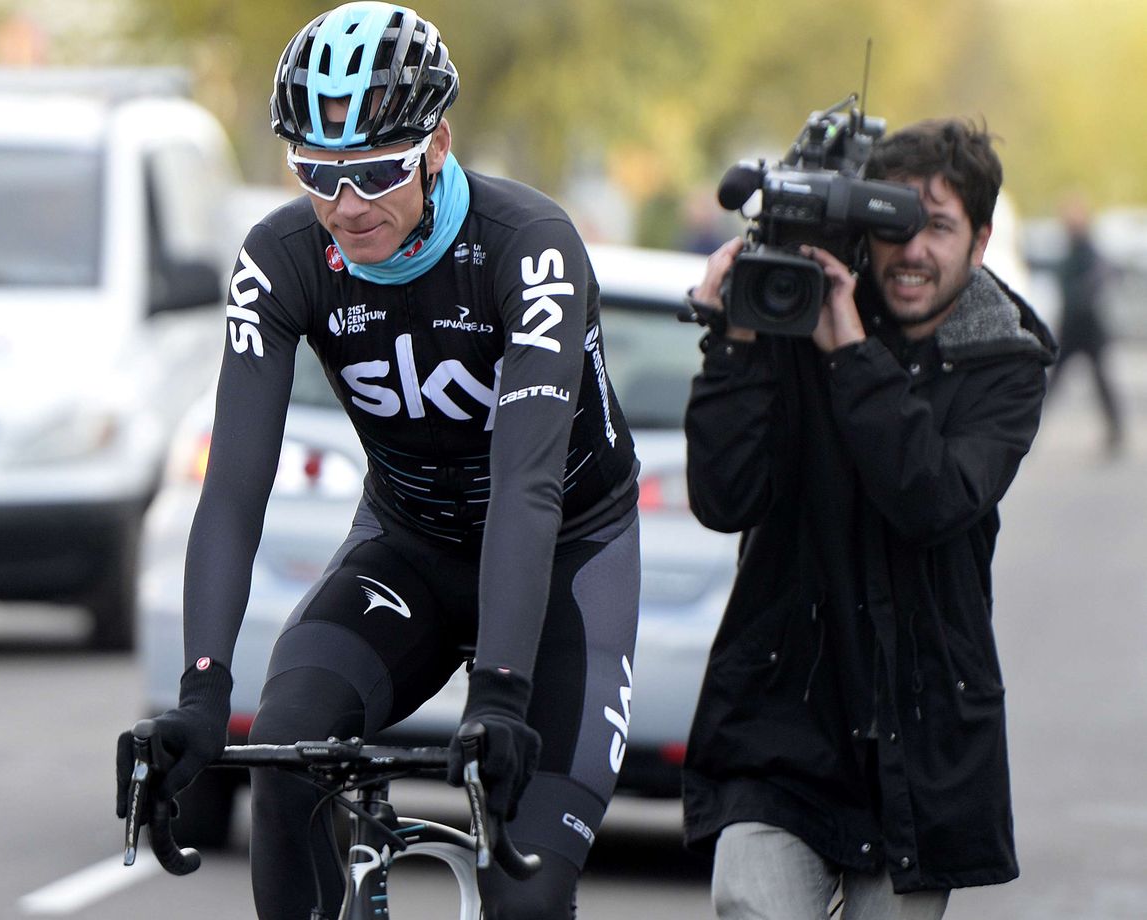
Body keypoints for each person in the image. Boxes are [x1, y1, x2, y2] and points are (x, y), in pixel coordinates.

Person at [116, 4, 642, 918]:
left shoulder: (529, 249)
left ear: (436, 145)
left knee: (523, 893)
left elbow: (527, 489)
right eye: (317, 173)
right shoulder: (281, 258)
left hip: (565, 554)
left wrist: (504, 696)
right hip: (410, 543)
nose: (345, 206)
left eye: (372, 172)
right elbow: (234, 487)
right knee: (286, 752)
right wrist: (200, 693)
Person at [680, 118, 1057, 919]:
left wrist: (850, 352)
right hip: (783, 722)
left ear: (982, 241)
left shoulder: (1008, 365)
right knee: (747, 902)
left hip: (918, 740)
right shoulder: (801, 312)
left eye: (941, 228)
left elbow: (933, 498)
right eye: (895, 224)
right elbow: (724, 499)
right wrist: (737, 343)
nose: (913, 250)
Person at [1047, 192, 1125, 457]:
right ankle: (1026, 423)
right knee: (1052, 383)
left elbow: (1100, 277)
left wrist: (1081, 294)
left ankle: (1116, 432)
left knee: (1100, 383)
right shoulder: (1072, 248)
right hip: (1074, 326)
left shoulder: (1086, 249)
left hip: (1086, 325)